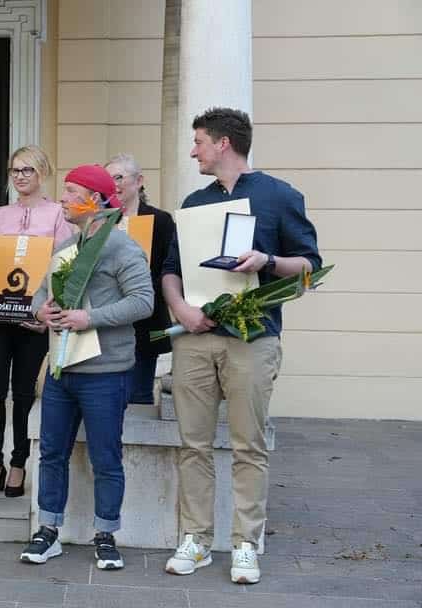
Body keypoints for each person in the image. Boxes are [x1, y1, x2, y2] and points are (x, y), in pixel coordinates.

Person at [162, 108, 321, 584]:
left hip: (253, 341)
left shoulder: (280, 196)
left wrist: (268, 259)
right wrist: (182, 312)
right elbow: (171, 268)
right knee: (192, 444)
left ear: (224, 143)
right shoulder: (193, 201)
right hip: (195, 339)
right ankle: (196, 539)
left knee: (248, 445)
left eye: (199, 142)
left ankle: (246, 544)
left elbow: (310, 265)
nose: (194, 151)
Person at [18, 163, 153, 571]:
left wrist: (88, 318)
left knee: (106, 457)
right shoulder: (65, 249)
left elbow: (143, 301)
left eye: (72, 192)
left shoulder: (122, 248)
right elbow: (39, 298)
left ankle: (106, 534)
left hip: (105, 374)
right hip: (61, 372)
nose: (63, 199)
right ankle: (48, 531)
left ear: (94, 201)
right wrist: (41, 311)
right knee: (51, 454)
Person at [0, 146, 75, 499]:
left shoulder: (58, 213)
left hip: (33, 320)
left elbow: (64, 266)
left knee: (25, 393)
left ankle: (18, 463)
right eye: (15, 170)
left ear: (42, 173)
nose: (20, 176)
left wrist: (49, 312)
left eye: (27, 170)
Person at [103, 153, 175, 404]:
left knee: (138, 397)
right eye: (109, 178)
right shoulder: (99, 221)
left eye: (120, 177)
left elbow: (170, 269)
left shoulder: (161, 221)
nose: (114, 184)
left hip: (145, 322)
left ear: (139, 181)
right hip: (105, 323)